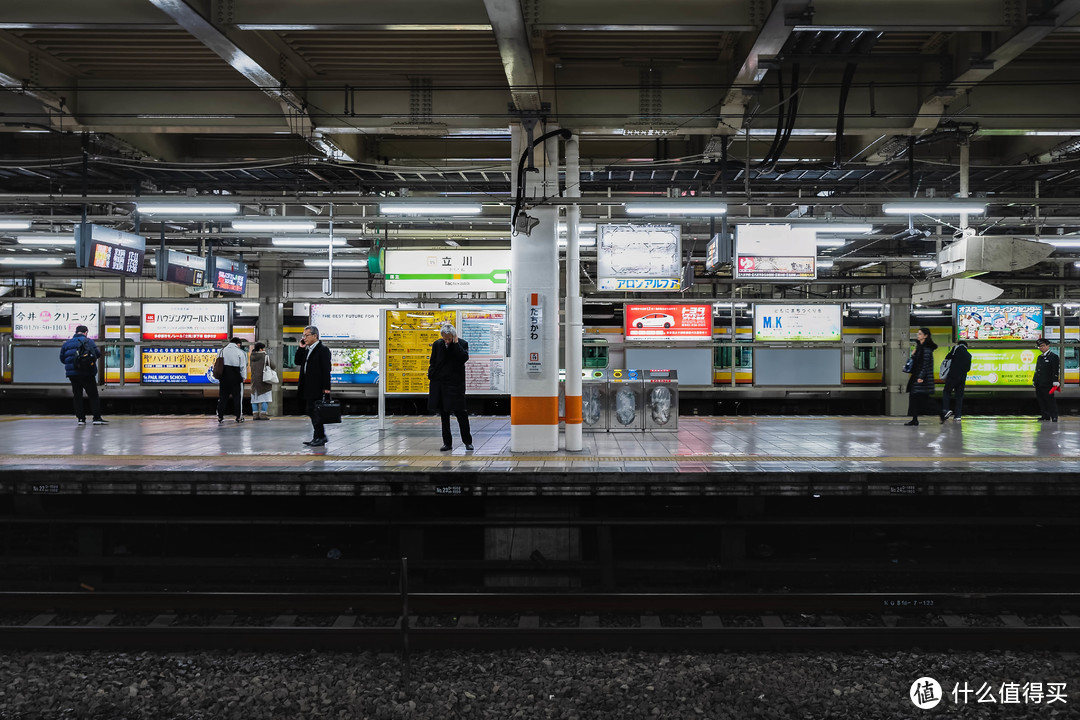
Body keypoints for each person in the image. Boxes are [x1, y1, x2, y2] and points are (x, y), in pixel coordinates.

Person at [428, 323, 473, 451]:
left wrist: (455, 344)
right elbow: (433, 362)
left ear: (454, 336)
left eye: (449, 338)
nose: (447, 341)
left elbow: (464, 358)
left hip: (456, 386)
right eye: (444, 338)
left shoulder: (462, 344)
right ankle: (447, 443)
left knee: (461, 415)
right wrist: (431, 374)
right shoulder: (437, 344)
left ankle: (467, 442)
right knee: (444, 416)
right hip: (441, 385)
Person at [59, 324, 107, 426]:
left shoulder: (67, 343)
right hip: (87, 373)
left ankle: (81, 419)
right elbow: (97, 354)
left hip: (73, 374)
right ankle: (96, 418)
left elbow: (62, 359)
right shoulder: (89, 341)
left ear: (76, 332)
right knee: (93, 395)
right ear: (85, 332)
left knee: (77, 396)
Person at [298, 325, 332, 446]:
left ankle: (320, 437)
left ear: (315, 336)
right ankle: (319, 436)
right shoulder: (308, 349)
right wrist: (301, 348)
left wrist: (326, 388)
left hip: (317, 387)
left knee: (316, 412)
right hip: (308, 386)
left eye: (306, 336)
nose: (304, 338)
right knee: (311, 410)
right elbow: (297, 361)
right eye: (303, 336)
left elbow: (326, 370)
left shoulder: (323, 350)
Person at [904, 326, 938, 426]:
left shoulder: (926, 349)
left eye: (920, 334)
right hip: (917, 377)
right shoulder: (920, 347)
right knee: (914, 398)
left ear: (925, 336)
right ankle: (914, 419)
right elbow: (916, 362)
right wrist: (913, 355)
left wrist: (921, 377)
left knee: (924, 400)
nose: (917, 336)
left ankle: (942, 413)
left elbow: (925, 365)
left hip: (922, 379)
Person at [940, 340, 972, 422]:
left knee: (947, 392)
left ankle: (946, 410)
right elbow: (968, 369)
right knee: (959, 396)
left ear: (958, 344)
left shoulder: (955, 348)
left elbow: (947, 358)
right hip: (962, 377)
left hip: (953, 375)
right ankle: (958, 415)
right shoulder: (969, 355)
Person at [217, 336, 247, 424]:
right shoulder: (239, 352)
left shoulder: (222, 351)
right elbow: (243, 367)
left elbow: (218, 363)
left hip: (224, 377)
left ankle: (220, 416)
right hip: (236, 377)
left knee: (222, 398)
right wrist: (243, 377)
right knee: (237, 398)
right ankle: (238, 417)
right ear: (238, 344)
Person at [1033, 337, 1060, 422]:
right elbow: (1037, 370)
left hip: (1048, 383)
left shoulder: (1053, 357)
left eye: (1043, 346)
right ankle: (1045, 415)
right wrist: (1034, 380)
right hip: (1039, 383)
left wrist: (1055, 380)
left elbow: (1055, 369)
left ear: (1048, 345)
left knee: (1050, 400)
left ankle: (1054, 416)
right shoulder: (1040, 357)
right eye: (1040, 346)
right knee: (1041, 400)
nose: (1041, 348)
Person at [249, 341, 275, 420]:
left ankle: (255, 415)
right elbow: (273, 366)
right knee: (265, 399)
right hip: (264, 381)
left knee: (254, 399)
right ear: (261, 349)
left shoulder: (251, 356)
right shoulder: (265, 356)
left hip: (254, 381)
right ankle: (263, 414)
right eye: (263, 348)